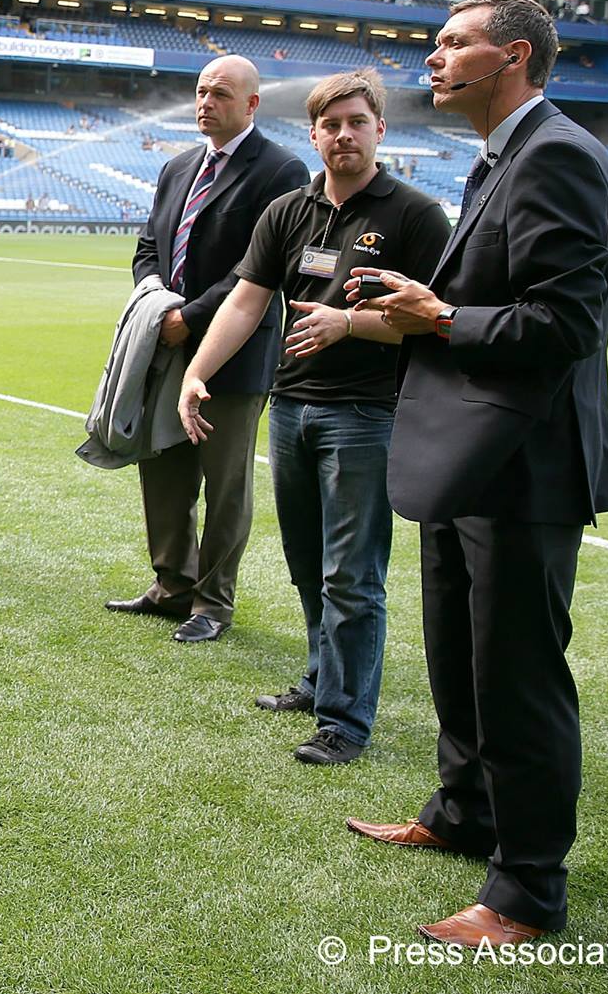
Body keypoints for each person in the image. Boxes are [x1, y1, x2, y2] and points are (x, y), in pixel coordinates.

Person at [344, 0, 608, 948]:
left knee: (517, 678)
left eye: (452, 41)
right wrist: (422, 307)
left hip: (525, 467)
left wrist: (440, 318)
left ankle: (526, 895)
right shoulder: (502, 154)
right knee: (461, 665)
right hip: (470, 459)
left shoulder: (556, 155)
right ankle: (463, 814)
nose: (432, 55)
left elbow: (565, 327)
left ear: (511, 56)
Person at [177, 69, 449, 765]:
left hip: (366, 415)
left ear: (380, 130)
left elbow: (432, 323)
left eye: (358, 122)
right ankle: (319, 678)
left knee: (352, 574)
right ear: (314, 133)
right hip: (290, 406)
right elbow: (245, 300)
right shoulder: (289, 211)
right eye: (331, 125)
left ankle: (346, 721)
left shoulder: (414, 215)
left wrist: (349, 323)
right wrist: (197, 371)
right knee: (306, 561)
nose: (344, 135)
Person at [108, 56, 308, 641]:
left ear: (251, 104)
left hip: (235, 356)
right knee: (162, 468)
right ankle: (172, 584)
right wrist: (156, 302)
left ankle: (212, 603)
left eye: (219, 93)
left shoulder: (279, 170)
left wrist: (189, 317)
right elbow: (150, 245)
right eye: (199, 92)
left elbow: (258, 268)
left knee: (225, 485)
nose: (204, 102)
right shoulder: (178, 167)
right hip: (164, 344)